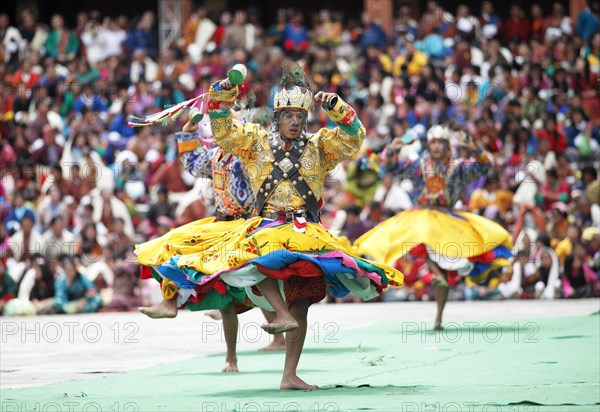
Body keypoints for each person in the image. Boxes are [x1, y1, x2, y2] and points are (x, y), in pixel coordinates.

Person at [135, 62, 401, 390]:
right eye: (287, 116)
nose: (294, 121)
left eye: (299, 116)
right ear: (277, 118)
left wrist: (338, 108)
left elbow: (354, 138)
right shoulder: (255, 142)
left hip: (307, 233)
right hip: (268, 228)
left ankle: (289, 374)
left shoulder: (320, 146)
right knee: (255, 261)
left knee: (303, 302)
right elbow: (223, 131)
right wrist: (222, 96)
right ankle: (278, 314)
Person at [136, 115, 285, 373]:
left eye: (226, 126)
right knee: (173, 245)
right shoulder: (215, 155)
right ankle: (173, 306)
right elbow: (192, 164)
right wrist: (187, 133)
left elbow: (269, 152)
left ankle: (281, 332)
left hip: (246, 227)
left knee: (258, 281)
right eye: (217, 126)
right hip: (220, 224)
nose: (220, 131)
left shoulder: (251, 153)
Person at [355, 126, 512, 330]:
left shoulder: (459, 167)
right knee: (421, 238)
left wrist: (474, 148)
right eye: (434, 142)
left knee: (447, 268)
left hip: (447, 216)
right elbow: (390, 168)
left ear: (448, 146)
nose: (437, 146)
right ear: (429, 145)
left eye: (441, 142)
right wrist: (393, 150)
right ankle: (436, 272)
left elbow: (486, 166)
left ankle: (438, 316)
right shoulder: (419, 166)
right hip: (421, 215)